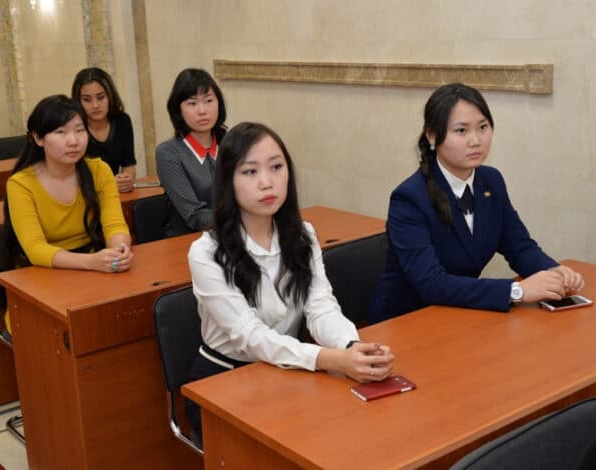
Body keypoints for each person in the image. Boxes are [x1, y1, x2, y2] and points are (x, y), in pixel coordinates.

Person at [186, 122, 394, 441]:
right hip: (224, 383)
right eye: (250, 172)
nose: (267, 182)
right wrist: (329, 359)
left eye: (276, 167)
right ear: (227, 181)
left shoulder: (302, 234)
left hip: (286, 370)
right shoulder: (206, 253)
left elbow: (320, 307)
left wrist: (351, 348)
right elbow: (250, 337)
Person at [369, 83, 584, 323]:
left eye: (483, 127)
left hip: (462, 312)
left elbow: (519, 246)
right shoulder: (409, 198)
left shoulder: (491, 181)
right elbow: (431, 283)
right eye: (461, 131)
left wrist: (553, 271)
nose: (475, 140)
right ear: (432, 136)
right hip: (408, 320)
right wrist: (517, 291)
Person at [0, 95, 134, 331]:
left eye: (79, 130)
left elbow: (115, 225)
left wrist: (119, 251)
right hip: (41, 277)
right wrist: (92, 262)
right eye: (61, 132)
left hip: (93, 271)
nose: (73, 141)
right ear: (38, 138)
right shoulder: (20, 184)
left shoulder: (99, 171)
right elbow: (35, 249)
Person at [155, 68, 227, 235]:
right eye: (192, 103)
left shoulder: (231, 143)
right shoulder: (168, 153)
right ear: (178, 110)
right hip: (188, 241)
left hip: (234, 236)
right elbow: (195, 215)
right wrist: (240, 220)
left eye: (208, 101)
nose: (202, 111)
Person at [71, 67, 137, 193]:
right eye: (87, 100)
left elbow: (129, 166)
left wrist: (126, 179)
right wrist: (109, 183)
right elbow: (71, 177)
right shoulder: (73, 128)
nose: (95, 105)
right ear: (78, 101)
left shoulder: (122, 121)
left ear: (110, 96)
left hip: (112, 194)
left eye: (100, 97)